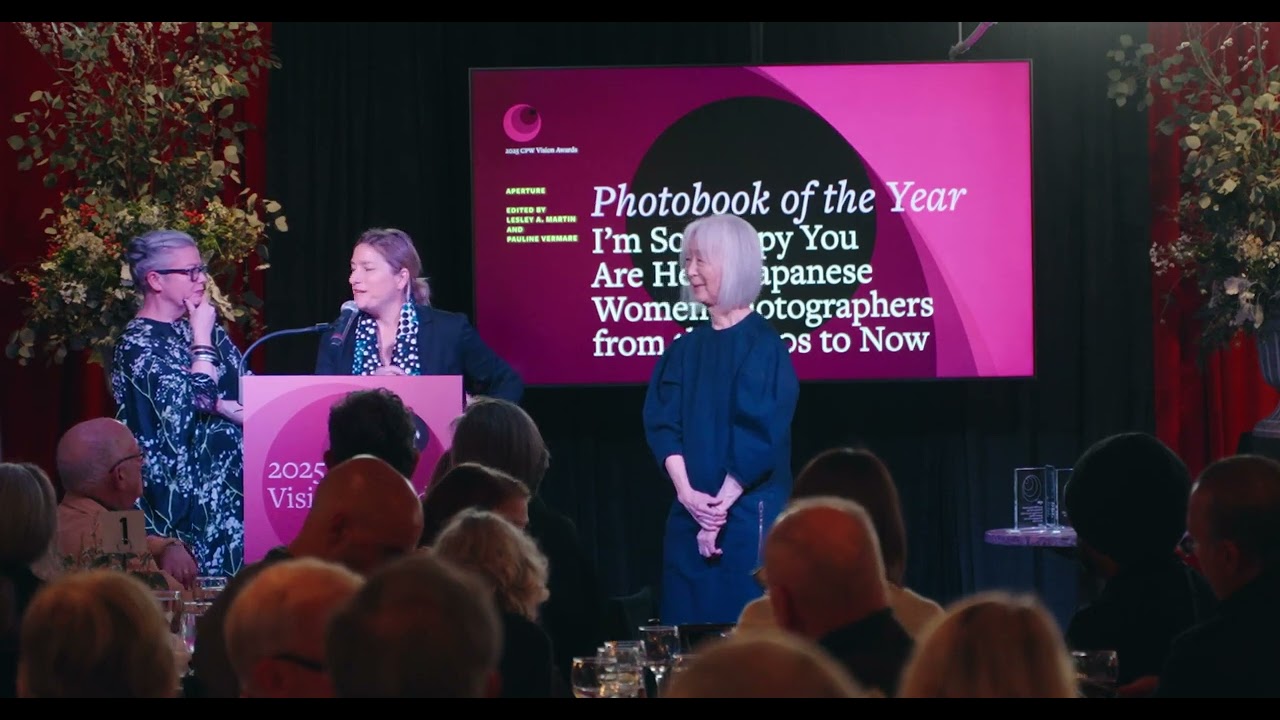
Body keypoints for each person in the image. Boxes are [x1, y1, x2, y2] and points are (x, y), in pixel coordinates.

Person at [642, 213, 800, 626]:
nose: (689, 271)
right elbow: (663, 426)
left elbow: (757, 435)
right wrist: (689, 497)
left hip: (747, 519)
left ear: (733, 264)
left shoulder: (764, 348)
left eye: (700, 260)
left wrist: (717, 512)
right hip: (688, 515)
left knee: (745, 637)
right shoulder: (683, 350)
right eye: (687, 260)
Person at [112, 229, 245, 578]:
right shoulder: (137, 345)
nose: (202, 279)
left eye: (201, 269)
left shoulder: (206, 328)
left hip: (233, 499)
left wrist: (226, 406)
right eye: (190, 272)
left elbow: (247, 394)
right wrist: (202, 338)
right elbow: (198, 399)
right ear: (155, 280)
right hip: (181, 509)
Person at [314, 227, 523, 403]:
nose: (353, 278)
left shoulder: (448, 330)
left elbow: (507, 381)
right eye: (353, 269)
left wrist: (475, 421)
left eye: (367, 269)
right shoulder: (338, 336)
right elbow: (321, 403)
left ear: (401, 278)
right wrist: (368, 389)